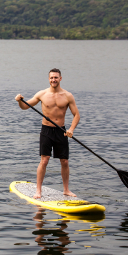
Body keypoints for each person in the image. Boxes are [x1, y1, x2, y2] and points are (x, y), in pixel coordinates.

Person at [15, 68, 80, 199]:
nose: (53, 80)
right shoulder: (42, 94)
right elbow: (25, 106)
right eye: (51, 78)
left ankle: (66, 190)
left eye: (56, 77)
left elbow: (76, 115)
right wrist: (19, 101)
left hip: (61, 131)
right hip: (46, 130)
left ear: (60, 78)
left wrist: (71, 129)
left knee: (65, 161)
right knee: (44, 160)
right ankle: (38, 191)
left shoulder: (68, 96)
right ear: (48, 79)